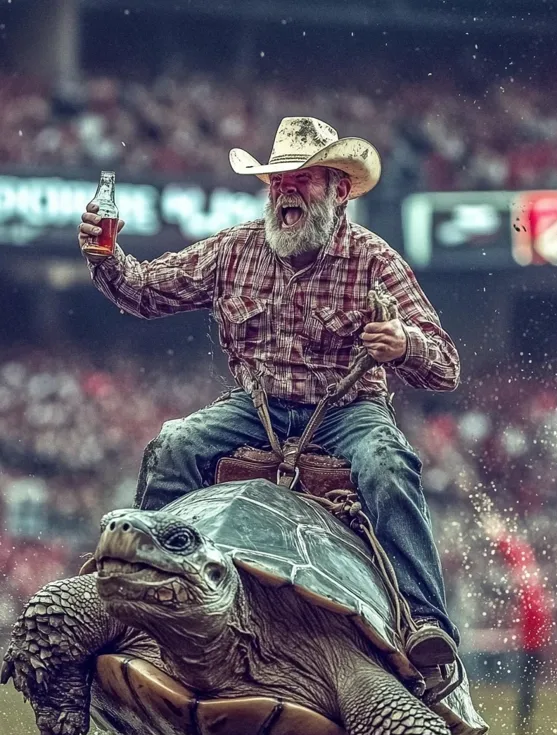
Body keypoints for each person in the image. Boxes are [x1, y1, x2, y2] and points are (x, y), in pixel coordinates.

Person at [78, 115, 461, 686]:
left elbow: (446, 364)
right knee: (175, 444)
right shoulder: (235, 249)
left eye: (302, 178)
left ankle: (425, 622)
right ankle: (141, 588)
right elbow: (146, 292)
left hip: (346, 413)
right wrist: (106, 258)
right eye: (277, 179)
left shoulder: (375, 261)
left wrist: (405, 344)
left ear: (339, 189)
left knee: (388, 465)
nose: (285, 189)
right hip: (253, 410)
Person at [482, 514, 553, 731]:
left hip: (532, 643)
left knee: (527, 684)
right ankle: (524, 721)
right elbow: (518, 555)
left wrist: (501, 537)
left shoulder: (529, 586)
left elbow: (517, 556)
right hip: (534, 643)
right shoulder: (532, 586)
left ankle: (524, 720)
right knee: (528, 684)